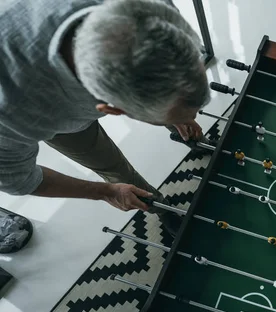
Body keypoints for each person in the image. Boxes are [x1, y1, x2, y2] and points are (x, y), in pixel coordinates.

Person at [0, 0, 211, 236]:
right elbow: (21, 180)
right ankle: (161, 208)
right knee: (113, 168)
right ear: (113, 110)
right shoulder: (14, 113)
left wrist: (178, 112)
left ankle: (183, 132)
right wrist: (106, 192)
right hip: (51, 114)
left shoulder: (155, 11)